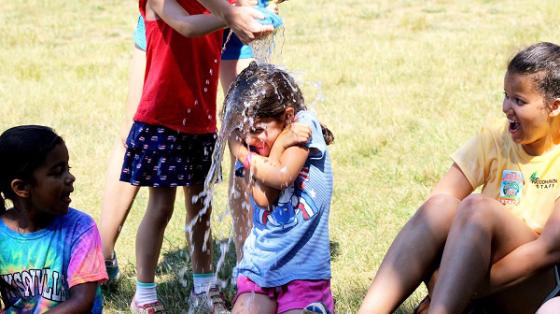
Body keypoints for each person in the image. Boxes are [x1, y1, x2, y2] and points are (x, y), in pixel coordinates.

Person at [359, 42, 560, 314]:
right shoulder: (496, 135)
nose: (505, 107)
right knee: (440, 207)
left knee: (479, 208)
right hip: (471, 273)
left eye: (519, 100)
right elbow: (439, 202)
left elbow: (547, 251)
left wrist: (466, 288)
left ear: (554, 107)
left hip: (537, 286)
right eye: (506, 95)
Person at [226, 62, 335, 314]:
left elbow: (282, 176)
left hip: (304, 272)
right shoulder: (255, 147)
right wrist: (275, 146)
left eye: (258, 130)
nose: (251, 139)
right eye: (244, 132)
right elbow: (264, 199)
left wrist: (241, 153)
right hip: (259, 270)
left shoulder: (302, 127)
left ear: (287, 116)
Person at [0, 125, 108, 313]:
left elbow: (82, 301)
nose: (70, 177)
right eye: (58, 171)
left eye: (68, 168)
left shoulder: (81, 228)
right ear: (21, 188)